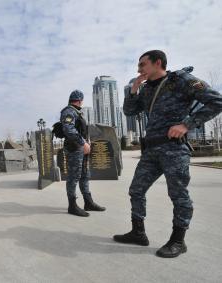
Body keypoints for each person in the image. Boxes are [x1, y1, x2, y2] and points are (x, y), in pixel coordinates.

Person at [113, 50, 222, 258]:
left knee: (178, 195)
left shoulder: (180, 80)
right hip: (151, 150)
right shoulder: (145, 90)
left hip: (174, 149)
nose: (139, 69)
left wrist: (186, 125)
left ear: (158, 63)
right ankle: (138, 233)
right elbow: (129, 112)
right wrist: (133, 90)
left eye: (142, 64)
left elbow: (217, 101)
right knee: (136, 190)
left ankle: (178, 241)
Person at [60, 90, 106, 217]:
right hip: (74, 149)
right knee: (73, 177)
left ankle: (88, 202)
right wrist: (83, 143)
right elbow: (68, 129)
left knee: (85, 175)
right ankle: (72, 205)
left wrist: (86, 143)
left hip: (81, 149)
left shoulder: (76, 112)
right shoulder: (68, 111)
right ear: (80, 100)